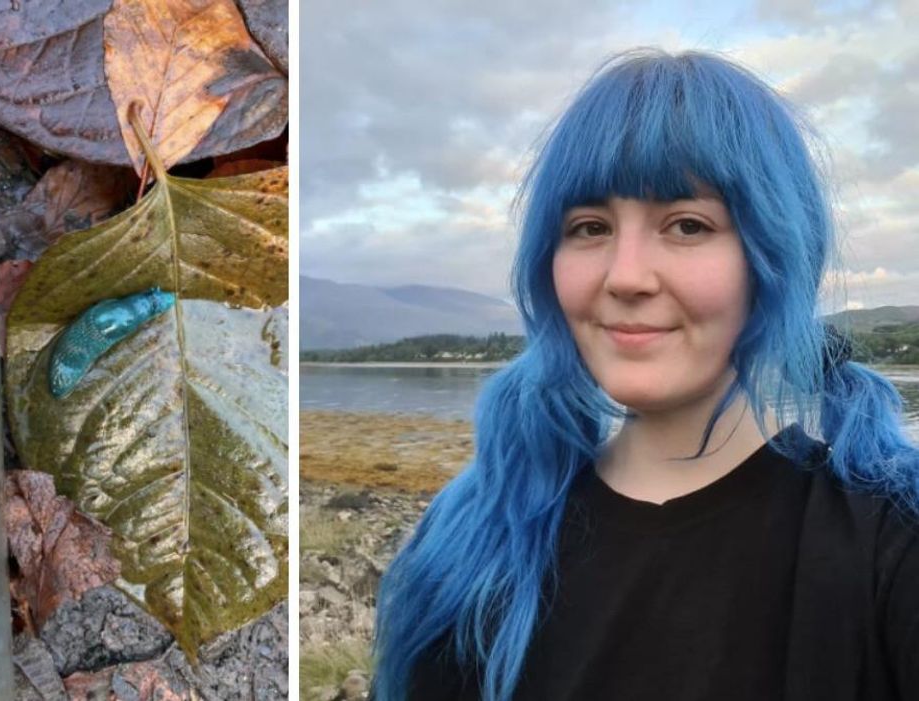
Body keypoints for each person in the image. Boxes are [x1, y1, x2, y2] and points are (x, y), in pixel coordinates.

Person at [371, 49, 919, 701]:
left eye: (686, 224)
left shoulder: (892, 546)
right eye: (588, 227)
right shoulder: (468, 536)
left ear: (773, 257)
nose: (624, 274)